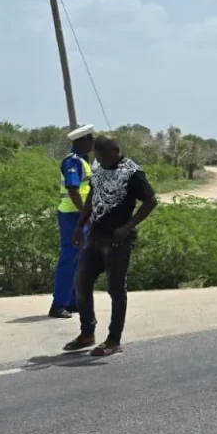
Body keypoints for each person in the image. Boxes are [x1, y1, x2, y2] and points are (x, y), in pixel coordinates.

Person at [63, 136, 157, 356]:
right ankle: (87, 333)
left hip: (118, 239)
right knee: (81, 283)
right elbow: (92, 197)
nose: (100, 160)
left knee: (116, 289)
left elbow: (151, 201)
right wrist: (80, 225)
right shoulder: (98, 168)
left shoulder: (133, 173)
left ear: (116, 151)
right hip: (95, 235)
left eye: (104, 155)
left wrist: (128, 226)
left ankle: (114, 340)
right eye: (98, 156)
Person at [49, 124, 95, 319]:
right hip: (73, 216)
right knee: (69, 259)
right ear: (82, 140)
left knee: (79, 260)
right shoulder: (72, 161)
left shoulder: (82, 161)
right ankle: (58, 304)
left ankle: (72, 302)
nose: (93, 142)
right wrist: (86, 215)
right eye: (90, 138)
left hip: (77, 215)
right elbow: (73, 190)